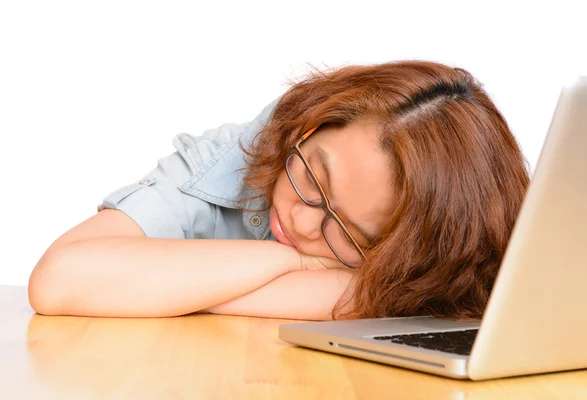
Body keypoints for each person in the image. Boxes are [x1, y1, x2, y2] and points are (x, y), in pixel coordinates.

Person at [28, 60, 530, 321]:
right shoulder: (236, 154)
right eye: (313, 178)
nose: (303, 222)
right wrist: (297, 265)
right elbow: (59, 281)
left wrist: (173, 289)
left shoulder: (448, 252)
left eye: (348, 232)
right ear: (309, 129)